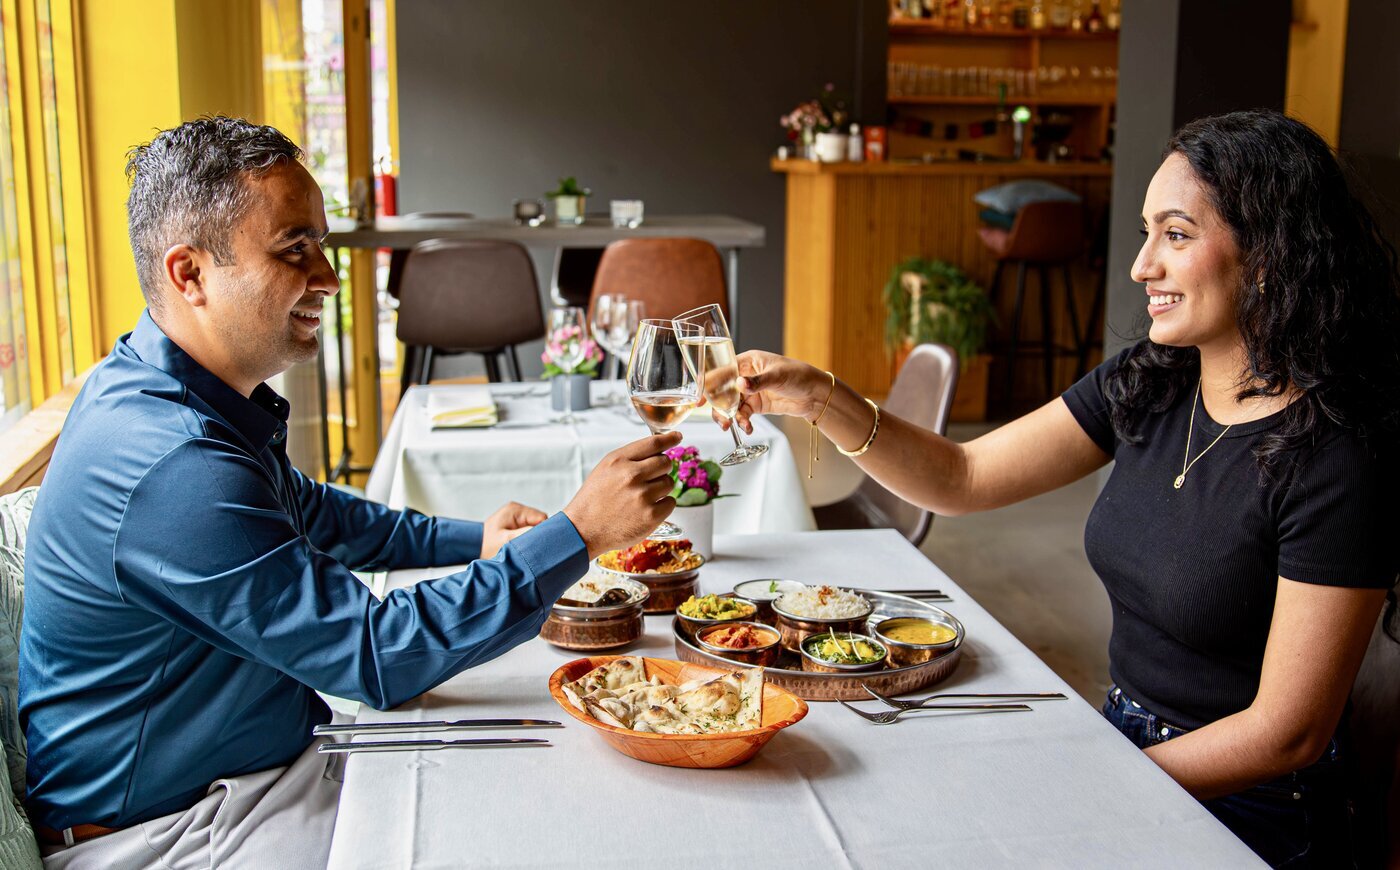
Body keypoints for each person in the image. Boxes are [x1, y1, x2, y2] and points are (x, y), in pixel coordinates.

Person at [720, 110, 1399, 868]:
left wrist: (1095, 782)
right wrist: (821, 397)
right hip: (1121, 738)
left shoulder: (1336, 456)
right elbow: (962, 476)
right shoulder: (1152, 384)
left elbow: (1286, 733)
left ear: (1271, 255)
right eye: (1147, 233)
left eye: (1175, 235)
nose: (1142, 265)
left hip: (1253, 804)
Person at [19, 116, 680, 867]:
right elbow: (376, 654)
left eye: (321, 245)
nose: (329, 276)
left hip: (249, 775)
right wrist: (578, 534)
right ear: (189, 274)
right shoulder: (173, 467)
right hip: (171, 832)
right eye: (293, 249)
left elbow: (307, 509)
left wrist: (478, 542)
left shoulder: (167, 389)